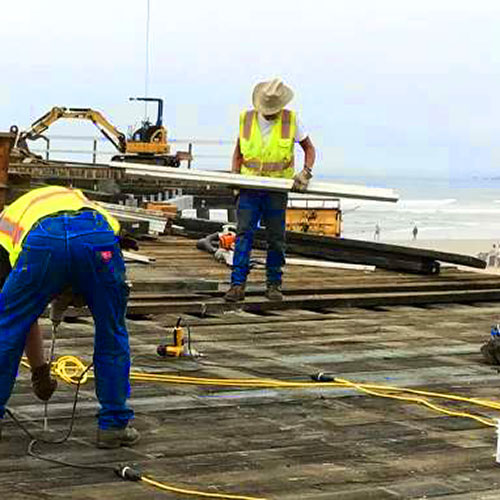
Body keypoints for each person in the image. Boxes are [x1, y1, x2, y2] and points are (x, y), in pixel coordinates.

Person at [0, 185, 138, 449]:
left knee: (5, 328)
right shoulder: (87, 205)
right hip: (98, 239)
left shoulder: (6, 229)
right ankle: (113, 425)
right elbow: (109, 242)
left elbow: (18, 322)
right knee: (112, 331)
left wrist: (41, 372)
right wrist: (40, 371)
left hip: (43, 242)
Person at [224, 78, 316, 302]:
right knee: (244, 234)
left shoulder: (291, 120)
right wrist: (235, 177)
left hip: (276, 189)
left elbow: (309, 149)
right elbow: (238, 152)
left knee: (276, 238)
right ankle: (237, 285)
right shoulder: (246, 119)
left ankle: (274, 284)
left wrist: (305, 172)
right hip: (250, 186)